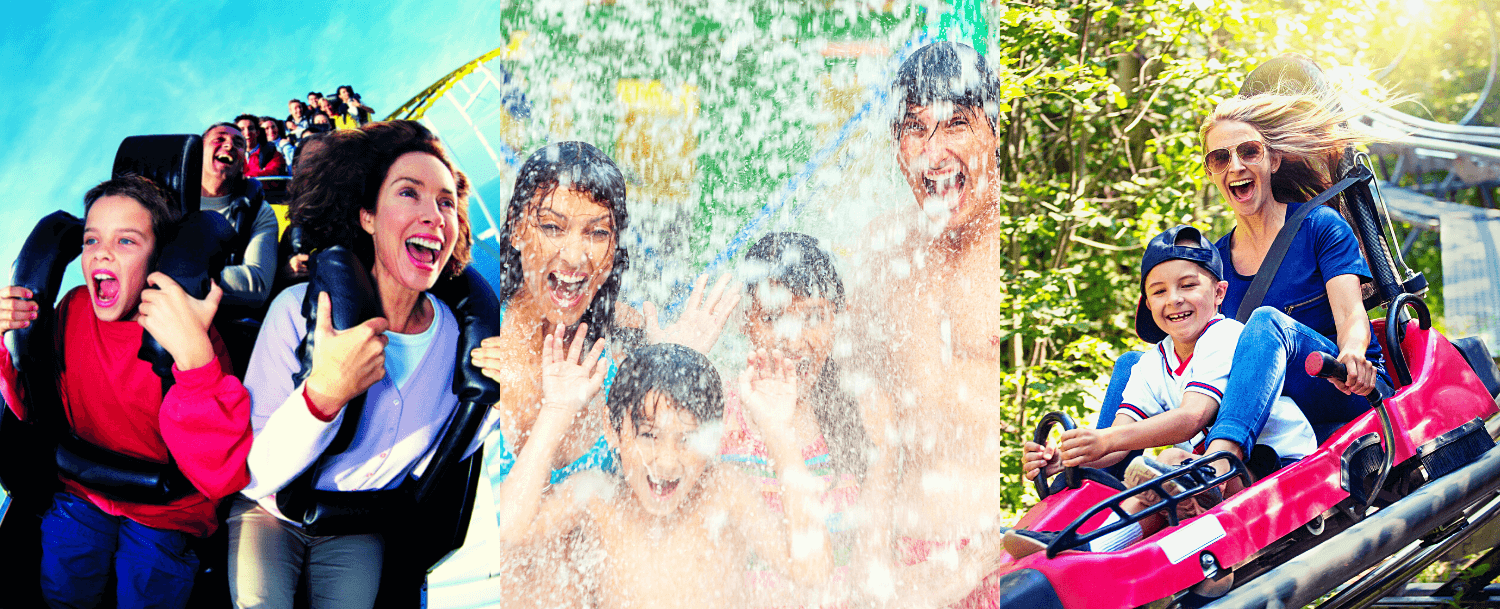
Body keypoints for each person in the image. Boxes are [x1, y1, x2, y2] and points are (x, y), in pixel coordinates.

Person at [230, 120, 489, 609]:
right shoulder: (296, 310)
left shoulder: (462, 349)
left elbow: (458, 447)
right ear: (368, 216)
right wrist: (321, 396)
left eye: (447, 201)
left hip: (357, 527)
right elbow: (253, 475)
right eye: (408, 193)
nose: (433, 215)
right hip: (270, 513)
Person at [0, 174, 253, 609]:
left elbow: (220, 473)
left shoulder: (194, 336)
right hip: (86, 492)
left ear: (161, 256)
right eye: (91, 239)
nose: (101, 252)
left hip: (170, 510)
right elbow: (32, 407)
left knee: (147, 585)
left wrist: (194, 360)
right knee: (63, 581)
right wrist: (8, 343)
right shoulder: (74, 309)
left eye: (126, 242)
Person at [1009, 226, 1317, 557]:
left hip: (1277, 466)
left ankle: (1182, 501)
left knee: (1166, 464)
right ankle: (1092, 551)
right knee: (1155, 482)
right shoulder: (1152, 364)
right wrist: (1069, 457)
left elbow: (1191, 416)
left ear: (1219, 293)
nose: (1174, 299)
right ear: (1147, 304)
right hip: (1204, 470)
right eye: (1159, 292)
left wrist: (1105, 441)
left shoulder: (1225, 335)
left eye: (1188, 285)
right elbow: (1119, 439)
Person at [495, 340, 834, 608]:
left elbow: (813, 570)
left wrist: (778, 432)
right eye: (649, 436)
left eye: (687, 440)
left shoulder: (723, 490)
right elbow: (508, 530)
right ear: (613, 430)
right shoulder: (597, 495)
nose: (668, 462)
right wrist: (557, 411)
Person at [849, 40, 1004, 604]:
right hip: (903, 556)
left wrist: (987, 561)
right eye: (916, 129)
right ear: (896, 146)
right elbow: (830, 376)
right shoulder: (885, 252)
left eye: (956, 125)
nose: (933, 154)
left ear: (992, 132)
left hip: (1008, 559)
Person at [1196, 91, 1388, 480]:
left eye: (1249, 151)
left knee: (1267, 322)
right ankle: (1086, 476)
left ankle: (1219, 468)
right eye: (1221, 158)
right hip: (1268, 410)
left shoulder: (1319, 226)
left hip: (1340, 385)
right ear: (1212, 172)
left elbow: (1351, 315)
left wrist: (1352, 354)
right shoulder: (1213, 264)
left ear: (1272, 160)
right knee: (1134, 363)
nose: (1236, 165)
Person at [719, 232, 889, 607]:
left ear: (837, 319)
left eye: (814, 316)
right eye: (774, 316)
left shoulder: (865, 411)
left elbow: (872, 568)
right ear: (747, 320)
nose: (794, 342)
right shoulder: (716, 414)